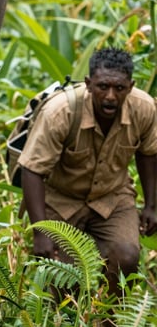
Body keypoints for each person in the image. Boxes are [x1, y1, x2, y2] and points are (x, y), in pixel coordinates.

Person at [19, 47, 157, 298]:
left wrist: (151, 205)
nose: (111, 96)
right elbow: (32, 170)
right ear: (88, 84)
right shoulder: (61, 112)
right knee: (64, 274)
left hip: (112, 196)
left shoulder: (144, 109)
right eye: (103, 86)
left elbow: (148, 153)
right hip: (60, 199)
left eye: (120, 88)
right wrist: (40, 232)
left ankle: (111, 326)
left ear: (131, 85)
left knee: (126, 257)